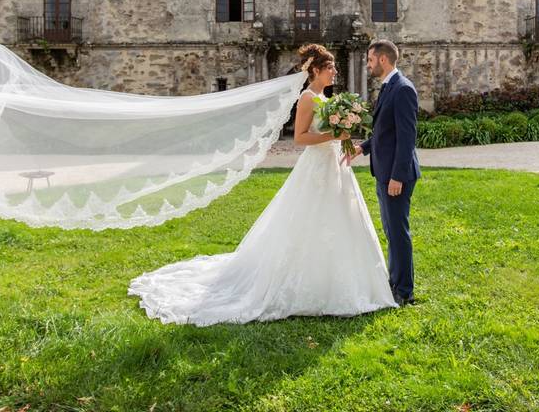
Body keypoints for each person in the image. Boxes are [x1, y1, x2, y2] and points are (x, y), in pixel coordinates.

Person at [127, 43, 397, 325]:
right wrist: (333, 136)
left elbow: (328, 131)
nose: (335, 72)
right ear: (316, 70)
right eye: (330, 68)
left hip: (334, 167)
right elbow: (301, 138)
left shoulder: (325, 97)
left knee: (341, 218)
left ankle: (346, 280)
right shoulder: (307, 98)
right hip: (316, 166)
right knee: (309, 219)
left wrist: (342, 134)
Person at [344, 39, 421, 306]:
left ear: (383, 60)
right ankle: (395, 280)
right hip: (384, 172)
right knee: (391, 230)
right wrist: (362, 149)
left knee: (398, 232)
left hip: (396, 176)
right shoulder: (388, 87)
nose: (368, 65)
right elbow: (384, 133)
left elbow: (406, 137)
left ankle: (404, 291)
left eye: (369, 60)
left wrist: (398, 177)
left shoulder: (402, 90)